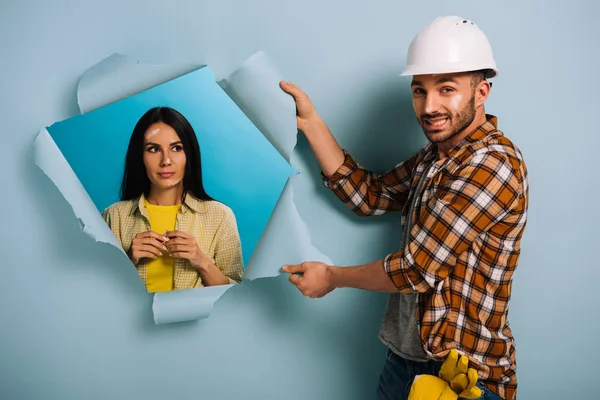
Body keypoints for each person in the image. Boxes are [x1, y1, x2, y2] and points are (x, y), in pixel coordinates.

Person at [279, 16, 528, 400]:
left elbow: (417, 269)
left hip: (462, 378)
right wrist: (312, 123)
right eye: (419, 91)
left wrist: (332, 277)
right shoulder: (436, 157)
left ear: (481, 93)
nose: (429, 106)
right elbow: (370, 195)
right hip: (404, 362)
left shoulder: (491, 165)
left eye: (447, 89)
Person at [102, 106, 244, 292]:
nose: (166, 160)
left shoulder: (220, 216)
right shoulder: (114, 216)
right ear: (140, 157)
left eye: (176, 148)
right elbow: (96, 293)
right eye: (153, 149)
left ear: (189, 155)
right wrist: (128, 261)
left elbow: (239, 297)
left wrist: (202, 262)